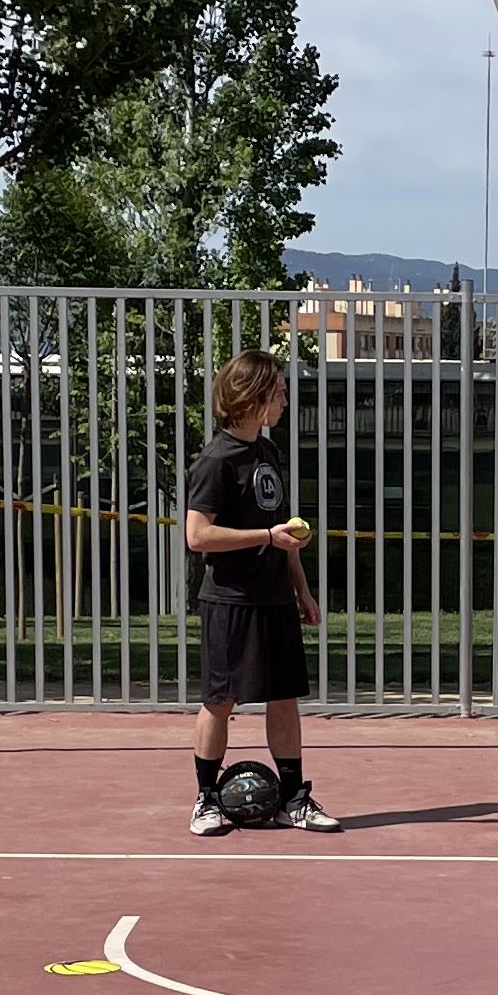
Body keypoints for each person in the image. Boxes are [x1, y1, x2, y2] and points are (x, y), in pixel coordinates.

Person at [180, 349, 341, 836]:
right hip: (230, 600)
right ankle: (206, 799)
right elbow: (197, 535)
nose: (287, 400)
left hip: (274, 599)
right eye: (281, 391)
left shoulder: (268, 454)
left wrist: (303, 592)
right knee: (220, 700)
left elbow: (282, 532)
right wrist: (264, 537)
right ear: (254, 396)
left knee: (284, 698)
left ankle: (293, 798)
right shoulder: (215, 461)